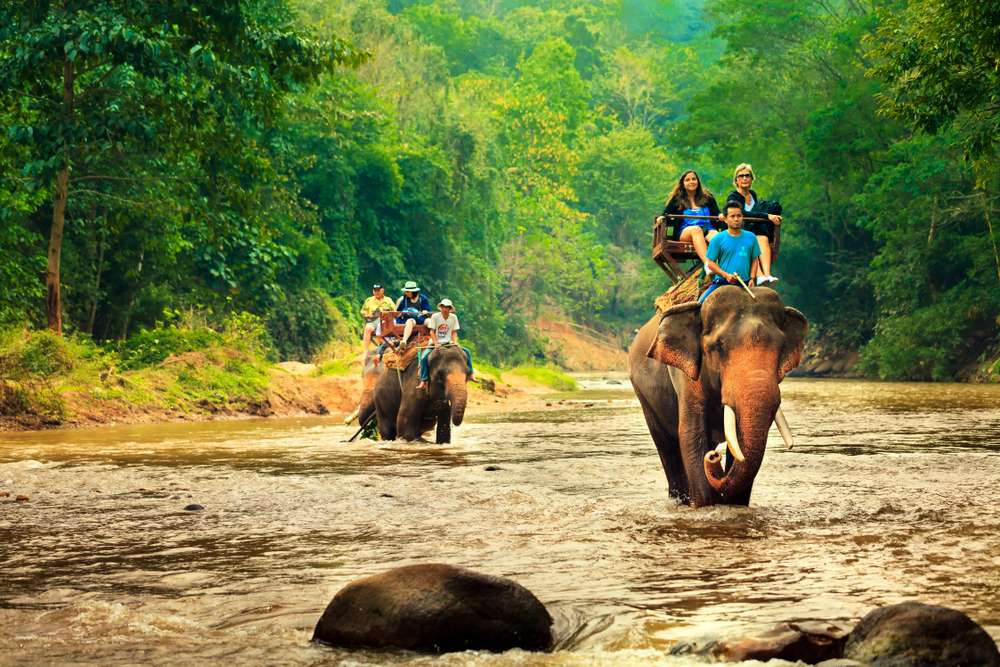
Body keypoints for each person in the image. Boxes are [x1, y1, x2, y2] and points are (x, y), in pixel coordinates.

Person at [726, 163, 782, 285]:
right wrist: (767, 216)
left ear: (752, 179)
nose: (744, 178)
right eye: (741, 176)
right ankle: (759, 274)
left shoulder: (753, 195)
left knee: (762, 238)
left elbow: (755, 213)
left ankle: (766, 275)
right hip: (738, 231)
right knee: (750, 240)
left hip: (754, 231)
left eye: (747, 175)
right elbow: (742, 213)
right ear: (736, 180)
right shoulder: (733, 196)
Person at [698, 201, 761, 303]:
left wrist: (752, 278)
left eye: (739, 216)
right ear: (726, 219)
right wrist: (726, 275)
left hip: (745, 283)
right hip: (722, 282)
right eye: (732, 216)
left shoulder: (751, 237)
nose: (736, 219)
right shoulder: (717, 238)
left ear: (742, 217)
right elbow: (710, 263)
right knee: (701, 303)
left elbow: (754, 259)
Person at [657, 170, 721, 266]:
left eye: (693, 179)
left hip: (708, 229)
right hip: (686, 232)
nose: (691, 182)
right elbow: (665, 213)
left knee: (718, 238)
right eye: (687, 180)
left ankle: (726, 266)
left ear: (698, 181)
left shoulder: (708, 197)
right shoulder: (677, 199)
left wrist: (721, 216)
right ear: (683, 184)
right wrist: (661, 217)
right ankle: (708, 265)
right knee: (696, 230)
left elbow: (717, 213)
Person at [416, 298, 474, 390]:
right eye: (443, 307)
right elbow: (432, 332)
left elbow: (454, 332)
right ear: (441, 308)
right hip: (436, 343)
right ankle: (424, 379)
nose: (445, 309)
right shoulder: (435, 317)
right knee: (424, 357)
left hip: (448, 343)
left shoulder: (453, 318)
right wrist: (436, 344)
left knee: (467, 352)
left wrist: (455, 343)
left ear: (450, 309)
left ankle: (471, 374)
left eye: (447, 307)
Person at [360, 284, 395, 354]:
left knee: (387, 327)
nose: (376, 292)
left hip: (386, 320)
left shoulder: (388, 300)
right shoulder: (369, 300)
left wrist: (388, 313)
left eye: (378, 291)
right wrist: (367, 314)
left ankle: (388, 346)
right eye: (375, 291)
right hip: (373, 320)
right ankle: (365, 351)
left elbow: (395, 310)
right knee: (367, 328)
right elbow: (362, 311)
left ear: (382, 291)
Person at [395, 280, 431, 346]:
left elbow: (427, 310)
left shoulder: (422, 298)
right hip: (409, 319)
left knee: (429, 321)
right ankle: (404, 341)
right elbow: (398, 312)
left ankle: (438, 338)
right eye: (405, 291)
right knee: (410, 321)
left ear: (414, 292)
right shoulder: (404, 299)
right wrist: (402, 313)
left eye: (408, 292)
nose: (406, 293)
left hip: (420, 318)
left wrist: (426, 311)